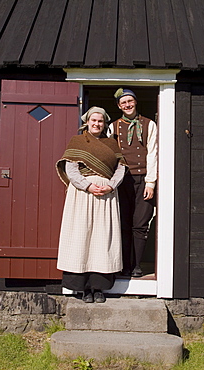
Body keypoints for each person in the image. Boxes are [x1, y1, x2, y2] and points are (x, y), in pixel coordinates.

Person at [56, 106, 127, 303]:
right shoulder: (77, 141)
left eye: (100, 121)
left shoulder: (112, 144)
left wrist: (111, 186)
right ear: (87, 121)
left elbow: (121, 168)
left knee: (102, 239)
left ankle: (99, 288)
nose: (97, 124)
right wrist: (87, 186)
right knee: (82, 236)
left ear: (105, 123)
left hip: (106, 195)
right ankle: (82, 288)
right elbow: (71, 169)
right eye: (93, 120)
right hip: (82, 194)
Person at [108, 88, 157, 278]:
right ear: (119, 106)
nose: (127, 105)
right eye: (123, 103)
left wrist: (151, 182)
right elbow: (110, 155)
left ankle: (137, 265)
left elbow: (153, 153)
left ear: (135, 102)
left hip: (143, 179)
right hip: (122, 181)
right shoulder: (113, 127)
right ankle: (124, 265)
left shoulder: (149, 124)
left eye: (130, 101)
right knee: (123, 223)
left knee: (140, 224)